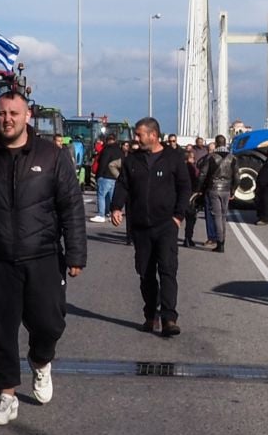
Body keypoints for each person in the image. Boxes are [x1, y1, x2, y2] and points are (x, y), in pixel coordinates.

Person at [0, 90, 87, 426]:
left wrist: (76, 253)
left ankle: (41, 360)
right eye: (2, 113)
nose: (7, 119)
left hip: (43, 256)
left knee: (49, 323)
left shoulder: (52, 157)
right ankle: (6, 395)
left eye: (14, 113)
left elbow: (71, 208)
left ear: (27, 117)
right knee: (1, 329)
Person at [110, 116, 194, 335]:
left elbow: (185, 187)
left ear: (153, 135)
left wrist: (178, 216)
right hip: (140, 226)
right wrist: (116, 207)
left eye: (139, 134)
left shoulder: (173, 158)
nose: (135, 138)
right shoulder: (132, 160)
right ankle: (151, 314)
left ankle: (169, 318)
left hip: (166, 225)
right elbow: (123, 186)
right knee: (145, 273)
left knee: (167, 270)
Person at [199, 135, 236, 252]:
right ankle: (222, 240)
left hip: (214, 189)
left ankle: (220, 243)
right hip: (226, 190)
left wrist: (198, 189)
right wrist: (233, 190)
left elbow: (202, 175)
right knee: (224, 216)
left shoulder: (211, 157)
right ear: (225, 143)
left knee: (217, 216)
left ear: (216, 143)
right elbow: (238, 177)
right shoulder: (233, 158)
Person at [91, 129, 125, 223]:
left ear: (107, 140)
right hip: (115, 177)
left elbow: (102, 163)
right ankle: (110, 214)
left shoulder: (106, 150)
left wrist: (98, 175)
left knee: (101, 195)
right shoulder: (120, 151)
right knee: (111, 197)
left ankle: (101, 214)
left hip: (105, 175)